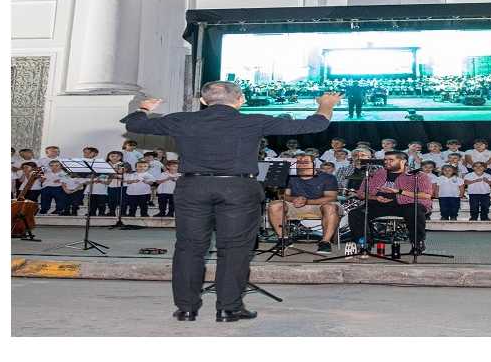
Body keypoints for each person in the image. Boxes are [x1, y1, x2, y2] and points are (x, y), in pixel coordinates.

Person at [120, 82, 341, 322]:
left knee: (189, 248)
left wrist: (143, 107)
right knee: (235, 249)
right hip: (238, 188)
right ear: (240, 100)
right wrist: (325, 105)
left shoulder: (183, 120)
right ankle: (228, 308)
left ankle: (186, 308)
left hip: (193, 188)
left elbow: (135, 123)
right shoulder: (254, 121)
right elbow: (314, 124)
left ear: (203, 101)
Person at [349, 151, 432, 254]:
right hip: (379, 203)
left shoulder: (418, 175)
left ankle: (417, 243)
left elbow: (427, 195)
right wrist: (376, 198)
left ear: (403, 161)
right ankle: (364, 244)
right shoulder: (377, 174)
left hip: (406, 204)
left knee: (415, 210)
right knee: (356, 213)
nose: (387, 162)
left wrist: (399, 191)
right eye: (385, 160)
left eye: (391, 160)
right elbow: (361, 193)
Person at [267, 154, 340, 254]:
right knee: (274, 205)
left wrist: (307, 201)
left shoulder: (327, 177)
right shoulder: (289, 176)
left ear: (314, 164)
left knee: (330, 207)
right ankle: (284, 239)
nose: (302, 165)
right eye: (299, 162)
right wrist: (294, 199)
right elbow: (284, 196)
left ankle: (325, 242)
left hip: (319, 205)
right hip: (296, 205)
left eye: (306, 162)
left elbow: (331, 197)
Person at [105, 151, 128, 217]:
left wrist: (113, 171)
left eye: (117, 156)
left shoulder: (123, 164)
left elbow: (122, 173)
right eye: (112, 156)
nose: (115, 158)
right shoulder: (106, 165)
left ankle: (123, 212)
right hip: (111, 185)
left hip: (122, 186)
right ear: (108, 157)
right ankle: (112, 212)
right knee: (111, 200)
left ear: (120, 157)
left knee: (122, 200)